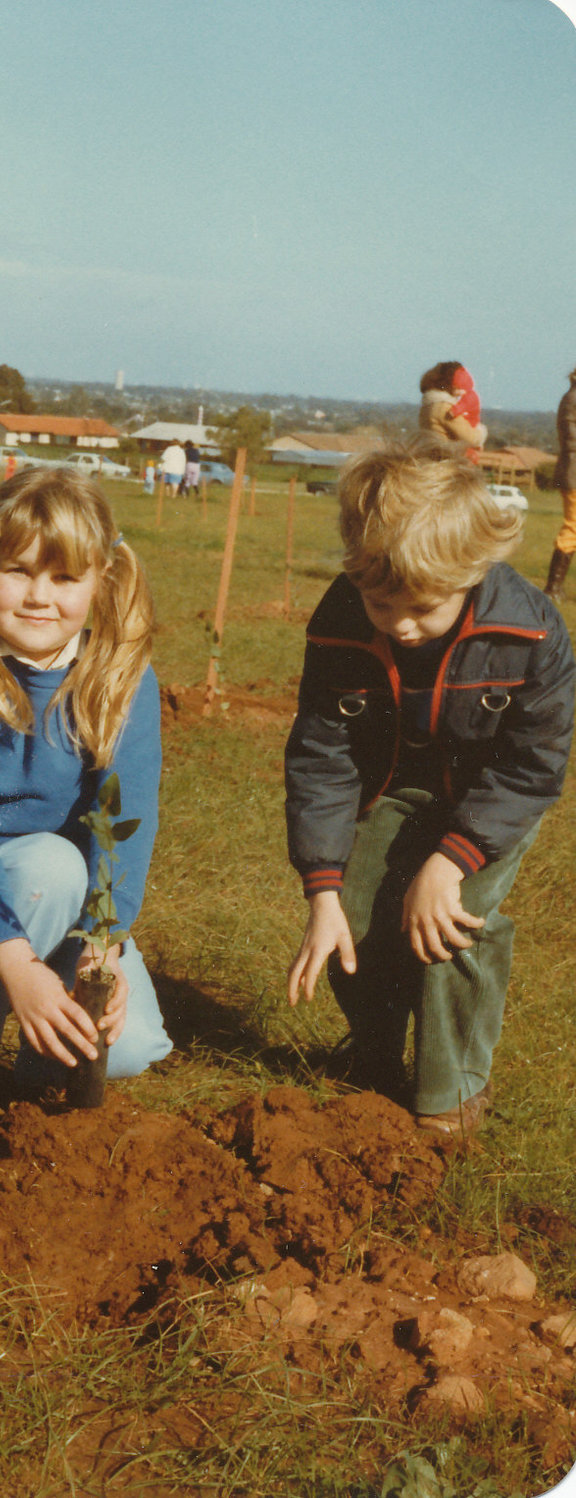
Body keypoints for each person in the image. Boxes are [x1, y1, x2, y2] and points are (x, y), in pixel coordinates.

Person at [285, 436, 574, 1139]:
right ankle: (377, 1057)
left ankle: (451, 1091)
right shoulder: (340, 619)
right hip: (394, 786)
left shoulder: (529, 633)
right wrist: (323, 888)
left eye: (423, 607)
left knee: (447, 925)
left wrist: (450, 861)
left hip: (488, 799)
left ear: (473, 571)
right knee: (355, 914)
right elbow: (322, 756)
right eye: (383, 606)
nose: (403, 626)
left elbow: (534, 766)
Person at [0, 468, 173, 1165]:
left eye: (65, 578)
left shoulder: (121, 681)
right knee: (46, 863)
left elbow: (124, 824)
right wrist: (17, 965)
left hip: (76, 901)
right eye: (18, 572)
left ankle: (25, 1059)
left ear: (101, 580)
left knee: (131, 1046)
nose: (40, 596)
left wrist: (103, 949)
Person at [544, 366, 576, 601]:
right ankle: (553, 588)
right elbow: (571, 439)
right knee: (573, 527)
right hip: (574, 472)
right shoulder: (573, 398)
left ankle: (554, 588)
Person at [417, 361, 486, 452]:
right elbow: (471, 438)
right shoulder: (444, 407)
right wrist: (482, 431)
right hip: (447, 457)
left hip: (431, 455)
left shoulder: (428, 405)